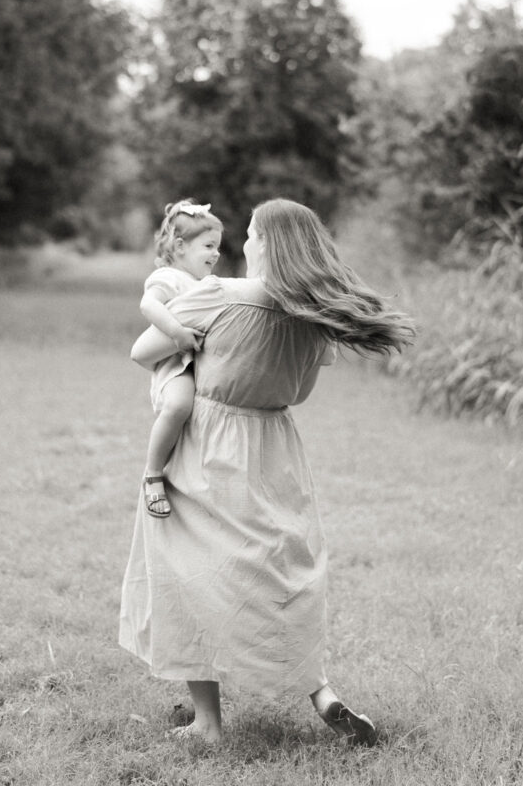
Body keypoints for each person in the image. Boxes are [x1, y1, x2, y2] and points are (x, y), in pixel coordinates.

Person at [120, 199, 414, 745]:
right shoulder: (315, 316)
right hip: (274, 446)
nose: (245, 244)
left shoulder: (219, 295)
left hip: (207, 443)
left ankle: (208, 723)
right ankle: (320, 691)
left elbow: (143, 350)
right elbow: (300, 390)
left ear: (270, 245)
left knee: (188, 573)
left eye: (253, 235)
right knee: (279, 567)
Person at [138, 200, 223, 518]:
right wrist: (176, 332)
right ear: (180, 246)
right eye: (209, 245)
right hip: (174, 365)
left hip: (197, 364)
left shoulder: (205, 283)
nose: (216, 254)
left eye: (217, 247)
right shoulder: (169, 278)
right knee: (178, 406)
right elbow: (148, 305)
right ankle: (153, 473)